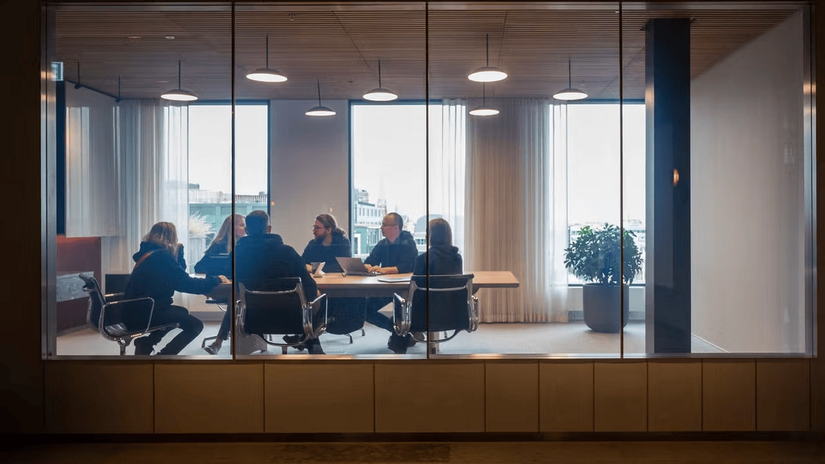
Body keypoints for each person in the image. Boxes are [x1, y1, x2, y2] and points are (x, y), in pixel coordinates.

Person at [125, 222, 229, 356]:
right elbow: (187, 284)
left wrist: (178, 254)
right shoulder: (162, 258)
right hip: (146, 313)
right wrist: (217, 279)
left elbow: (177, 275)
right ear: (171, 238)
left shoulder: (149, 254)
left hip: (135, 311)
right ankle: (164, 357)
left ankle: (146, 343)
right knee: (195, 326)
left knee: (181, 312)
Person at [233, 210, 324, 354]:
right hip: (292, 318)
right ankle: (310, 341)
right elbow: (310, 286)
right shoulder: (287, 252)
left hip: (253, 318)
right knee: (318, 297)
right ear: (269, 229)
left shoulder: (237, 255)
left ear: (246, 230)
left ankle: (307, 342)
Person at [363, 212, 419, 353]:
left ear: (395, 227)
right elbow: (370, 261)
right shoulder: (383, 244)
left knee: (402, 312)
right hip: (385, 287)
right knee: (365, 309)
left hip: (405, 290)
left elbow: (409, 266)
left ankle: (401, 334)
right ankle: (402, 333)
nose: (381, 227)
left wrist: (384, 270)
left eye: (384, 224)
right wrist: (367, 266)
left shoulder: (408, 242)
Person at [199, 214, 245, 355]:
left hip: (235, 290)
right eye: (242, 225)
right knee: (236, 295)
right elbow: (199, 267)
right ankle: (219, 340)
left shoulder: (245, 245)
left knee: (235, 296)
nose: (245, 229)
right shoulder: (218, 245)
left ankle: (218, 341)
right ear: (232, 228)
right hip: (219, 288)